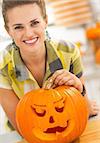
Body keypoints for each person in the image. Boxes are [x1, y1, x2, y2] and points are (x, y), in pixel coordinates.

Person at [0, 0, 99, 132]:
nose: (29, 33)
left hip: (67, 128)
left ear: (45, 21)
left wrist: (79, 88)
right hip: (22, 138)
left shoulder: (69, 52)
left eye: (34, 23)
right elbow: (23, 127)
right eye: (18, 27)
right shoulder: (3, 67)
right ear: (8, 31)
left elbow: (85, 111)